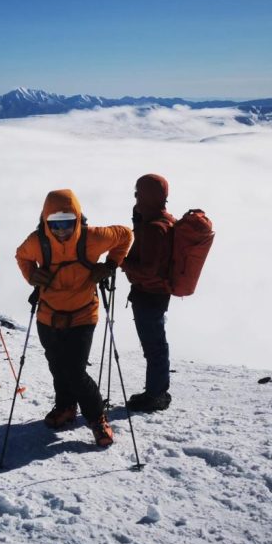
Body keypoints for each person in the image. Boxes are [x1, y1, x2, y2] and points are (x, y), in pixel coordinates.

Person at [15, 189, 132, 446]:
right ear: (45, 221)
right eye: (54, 224)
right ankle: (66, 407)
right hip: (48, 316)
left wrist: (111, 265)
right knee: (58, 366)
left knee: (75, 371)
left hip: (82, 315)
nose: (61, 230)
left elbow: (126, 235)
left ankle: (97, 418)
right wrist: (31, 275)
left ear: (78, 219)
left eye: (67, 223)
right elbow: (21, 256)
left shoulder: (93, 238)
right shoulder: (37, 242)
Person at [120, 173, 175, 412]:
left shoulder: (154, 228)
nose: (135, 196)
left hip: (148, 294)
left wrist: (123, 263)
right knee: (156, 344)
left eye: (138, 193)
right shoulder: (163, 219)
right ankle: (157, 390)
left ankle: (155, 395)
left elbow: (148, 269)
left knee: (154, 346)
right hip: (158, 293)